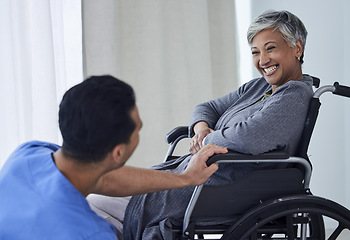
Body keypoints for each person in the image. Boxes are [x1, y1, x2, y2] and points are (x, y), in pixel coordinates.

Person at [117, 10, 315, 239]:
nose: (263, 60)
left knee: (102, 204)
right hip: (203, 175)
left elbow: (248, 137)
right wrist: (201, 129)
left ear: (297, 48)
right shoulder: (257, 87)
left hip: (226, 185)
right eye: (255, 52)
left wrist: (207, 140)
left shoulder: (292, 97)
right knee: (107, 197)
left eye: (271, 48)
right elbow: (206, 108)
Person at [0, 75, 226, 240]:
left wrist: (185, 178)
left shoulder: (28, 153)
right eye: (138, 128)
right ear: (118, 152)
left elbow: (104, 178)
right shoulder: (90, 233)